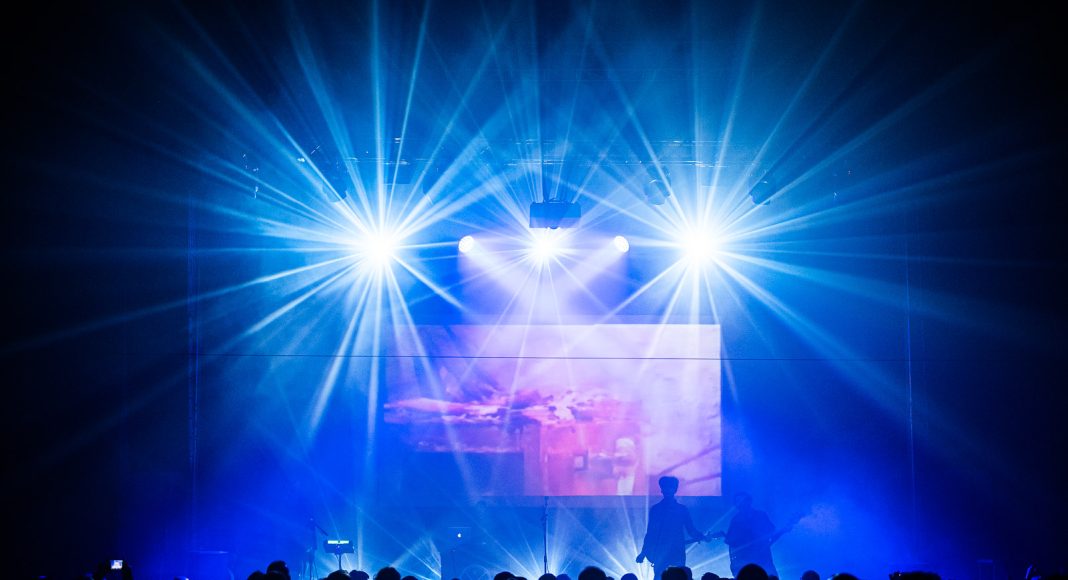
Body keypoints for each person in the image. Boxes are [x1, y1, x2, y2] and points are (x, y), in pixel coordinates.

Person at [636, 476, 707, 579]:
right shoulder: (656, 510)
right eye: (665, 487)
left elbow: (691, 529)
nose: (668, 490)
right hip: (661, 552)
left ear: (675, 490)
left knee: (678, 577)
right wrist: (643, 552)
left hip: (676, 551)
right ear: (662, 490)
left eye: (670, 487)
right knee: (661, 576)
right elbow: (650, 533)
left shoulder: (681, 509)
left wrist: (702, 536)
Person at [713, 493, 788, 579]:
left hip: (762, 558)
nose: (740, 504)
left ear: (749, 501)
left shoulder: (760, 515)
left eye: (742, 501)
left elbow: (771, 533)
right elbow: (732, 542)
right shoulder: (736, 519)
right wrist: (723, 535)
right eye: (737, 501)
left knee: (768, 575)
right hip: (745, 560)